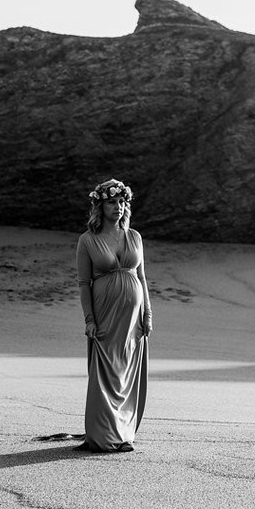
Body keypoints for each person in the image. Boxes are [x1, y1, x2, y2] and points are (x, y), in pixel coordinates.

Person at [75, 178, 153, 452]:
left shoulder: (135, 237)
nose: (118, 207)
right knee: (105, 373)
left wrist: (148, 314)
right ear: (100, 205)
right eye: (112, 202)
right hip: (105, 314)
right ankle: (101, 436)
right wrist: (89, 319)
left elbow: (142, 278)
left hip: (133, 319)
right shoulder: (87, 240)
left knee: (127, 372)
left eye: (122, 202)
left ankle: (123, 435)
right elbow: (85, 284)